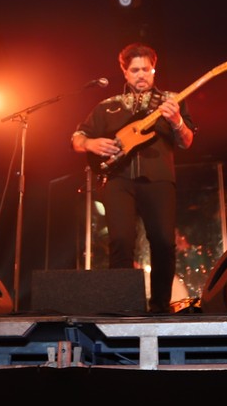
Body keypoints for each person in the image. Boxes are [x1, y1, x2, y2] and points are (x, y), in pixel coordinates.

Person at [72, 44, 195, 312]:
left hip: (158, 179)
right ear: (125, 72)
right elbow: (77, 137)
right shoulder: (108, 106)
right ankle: (122, 307)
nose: (141, 75)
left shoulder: (172, 100)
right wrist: (91, 144)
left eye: (146, 69)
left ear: (154, 70)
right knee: (120, 242)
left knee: (163, 242)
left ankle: (160, 307)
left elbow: (187, 141)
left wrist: (176, 121)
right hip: (119, 180)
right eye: (135, 70)